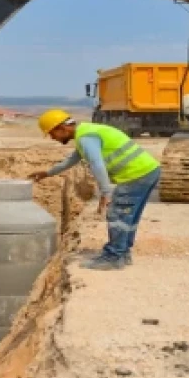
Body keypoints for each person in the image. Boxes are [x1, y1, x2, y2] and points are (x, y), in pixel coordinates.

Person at [27, 109, 161, 271]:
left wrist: (106, 192)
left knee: (117, 215)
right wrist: (47, 173)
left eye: (52, 134)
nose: (53, 138)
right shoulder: (86, 133)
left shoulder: (86, 138)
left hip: (135, 174)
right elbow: (71, 161)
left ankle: (114, 257)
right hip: (149, 171)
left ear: (62, 128)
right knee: (129, 216)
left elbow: (97, 163)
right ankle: (123, 252)